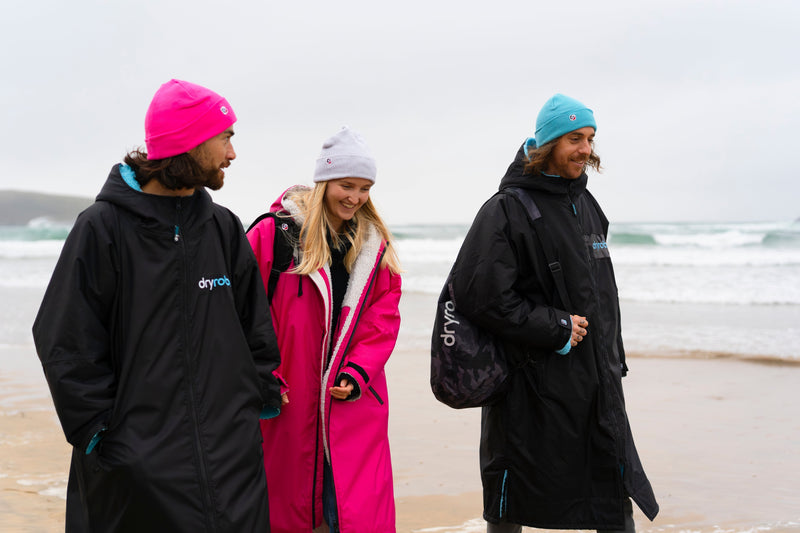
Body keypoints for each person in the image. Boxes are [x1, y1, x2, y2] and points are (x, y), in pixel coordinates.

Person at [32, 79, 283, 532]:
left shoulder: (223, 228)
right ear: (189, 143)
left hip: (231, 463)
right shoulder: (102, 228)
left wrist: (258, 397)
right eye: (225, 138)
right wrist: (100, 433)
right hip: (135, 467)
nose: (232, 154)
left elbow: (255, 328)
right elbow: (63, 339)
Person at [448, 94, 659, 532]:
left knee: (613, 490)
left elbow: (602, 294)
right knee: (512, 499)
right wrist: (555, 326)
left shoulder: (587, 206)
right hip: (531, 387)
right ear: (547, 144)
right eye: (574, 138)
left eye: (590, 138)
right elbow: (479, 296)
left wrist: (613, 359)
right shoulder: (505, 210)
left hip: (596, 383)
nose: (585, 148)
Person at [247, 126, 402, 533]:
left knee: (352, 513)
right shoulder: (273, 234)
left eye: (365, 187)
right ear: (323, 182)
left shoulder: (373, 246)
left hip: (352, 399)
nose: (355, 197)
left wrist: (358, 371)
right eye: (346, 185)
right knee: (287, 507)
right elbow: (239, 315)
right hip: (286, 399)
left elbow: (382, 318)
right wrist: (263, 376)